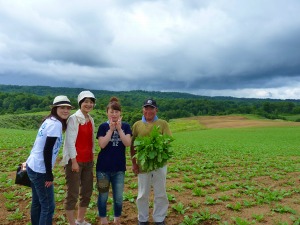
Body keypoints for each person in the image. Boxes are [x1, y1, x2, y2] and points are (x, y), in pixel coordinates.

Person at [26, 95, 73, 225]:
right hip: (40, 170)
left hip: (33, 165)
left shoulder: (49, 120)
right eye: (62, 107)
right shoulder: (55, 124)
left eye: (68, 108)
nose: (66, 110)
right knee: (48, 206)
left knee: (37, 202)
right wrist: (48, 174)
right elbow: (47, 150)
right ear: (55, 108)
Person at [130, 98, 172, 225]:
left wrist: (157, 144)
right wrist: (134, 163)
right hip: (143, 165)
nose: (148, 111)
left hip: (159, 164)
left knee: (160, 192)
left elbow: (167, 141)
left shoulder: (163, 123)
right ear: (143, 110)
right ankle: (142, 219)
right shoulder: (137, 125)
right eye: (146, 108)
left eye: (151, 108)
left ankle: (159, 218)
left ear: (156, 110)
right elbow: (132, 146)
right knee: (142, 194)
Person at [62, 90, 96, 225]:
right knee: (73, 194)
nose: (88, 104)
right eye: (86, 102)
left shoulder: (90, 119)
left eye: (91, 102)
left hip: (88, 161)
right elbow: (70, 142)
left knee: (87, 192)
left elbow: (90, 141)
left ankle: (80, 220)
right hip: (75, 162)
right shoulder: (73, 119)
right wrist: (74, 162)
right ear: (80, 103)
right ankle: (72, 223)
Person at [96, 97, 132, 225]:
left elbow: (127, 143)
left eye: (116, 112)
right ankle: (103, 220)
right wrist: (111, 130)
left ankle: (117, 219)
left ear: (120, 113)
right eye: (111, 112)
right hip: (103, 169)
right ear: (107, 112)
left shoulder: (126, 126)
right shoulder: (103, 126)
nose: (114, 114)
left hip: (119, 169)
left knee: (118, 197)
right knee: (103, 196)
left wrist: (120, 129)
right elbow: (102, 145)